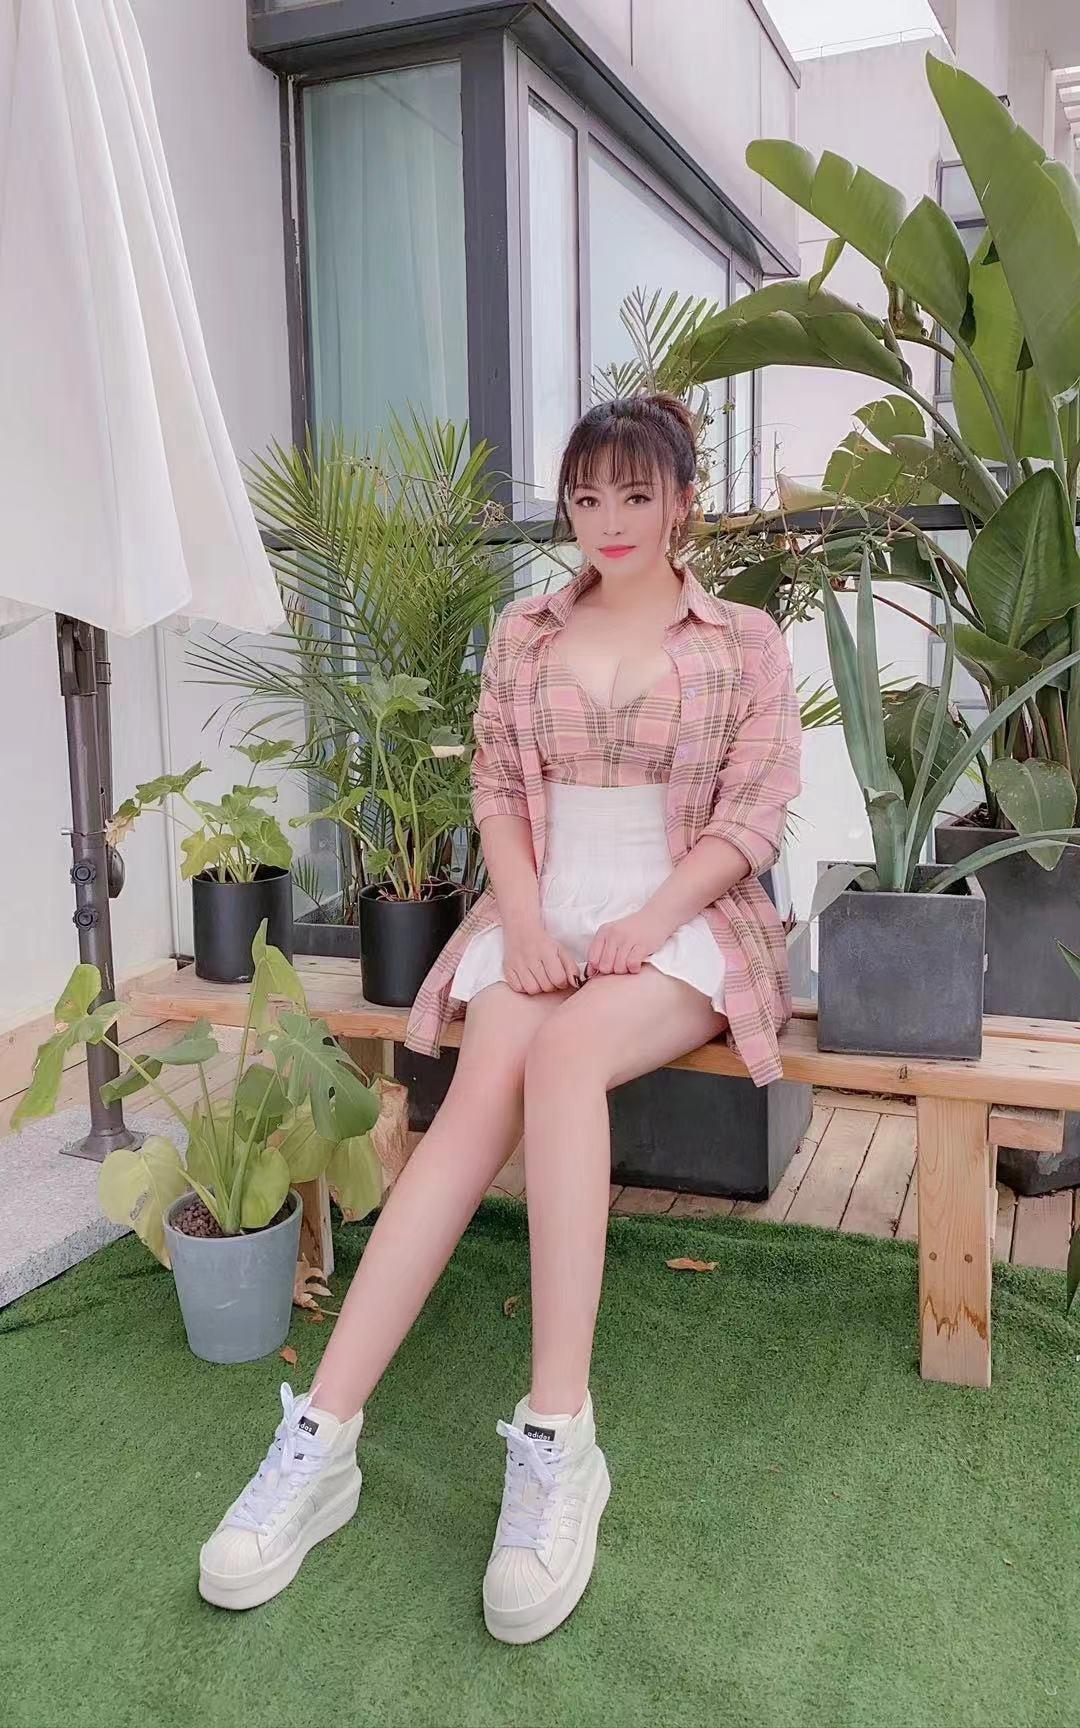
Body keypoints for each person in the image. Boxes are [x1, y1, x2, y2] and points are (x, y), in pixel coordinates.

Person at [198, 393, 803, 1644]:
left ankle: (559, 1437)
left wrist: (650, 917)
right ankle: (322, 1437)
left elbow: (754, 812)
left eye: (635, 495)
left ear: (682, 503)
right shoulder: (526, 632)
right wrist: (523, 920)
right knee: (478, 1102)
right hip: (544, 904)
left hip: (683, 915)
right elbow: (496, 787)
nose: (608, 521)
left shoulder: (742, 639)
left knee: (568, 1056)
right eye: (586, 497)